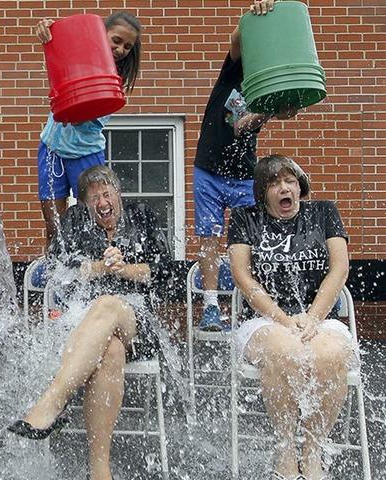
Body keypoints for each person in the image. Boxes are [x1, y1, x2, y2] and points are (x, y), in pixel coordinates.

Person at [8, 166, 166, 480]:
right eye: (93, 197)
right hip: (85, 325)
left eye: (107, 194)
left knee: (107, 304)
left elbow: (162, 274)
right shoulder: (73, 223)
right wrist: (97, 266)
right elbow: (57, 269)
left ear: (118, 195)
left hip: (137, 322)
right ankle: (99, 471)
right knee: (110, 353)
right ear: (84, 204)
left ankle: (53, 401)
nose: (101, 202)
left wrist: (121, 270)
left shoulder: (144, 217)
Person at [228, 155, 352, 480]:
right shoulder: (245, 218)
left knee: (330, 354)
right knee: (286, 351)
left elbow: (339, 268)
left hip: (320, 317)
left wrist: (312, 317)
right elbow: (243, 276)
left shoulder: (323, 212)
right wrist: (285, 320)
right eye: (275, 183)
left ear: (300, 187)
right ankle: (285, 447)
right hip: (265, 320)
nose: (284, 188)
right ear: (263, 191)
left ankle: (312, 450)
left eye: (290, 182)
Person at [194, 0, 298, 331]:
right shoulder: (234, 71)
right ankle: (211, 306)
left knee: (250, 240)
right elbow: (238, 38)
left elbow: (279, 111)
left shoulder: (263, 85)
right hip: (208, 170)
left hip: (243, 176)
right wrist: (252, 16)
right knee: (209, 236)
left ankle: (255, 305)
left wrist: (284, 109)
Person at [35, 12, 143, 249]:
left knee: (95, 218)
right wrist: (48, 29)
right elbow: (59, 40)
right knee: (53, 222)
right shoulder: (79, 59)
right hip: (51, 148)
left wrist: (74, 112)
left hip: (85, 154)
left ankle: (99, 266)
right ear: (100, 34)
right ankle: (54, 269)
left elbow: (84, 117)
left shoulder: (114, 80)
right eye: (116, 40)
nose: (121, 49)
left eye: (127, 46)